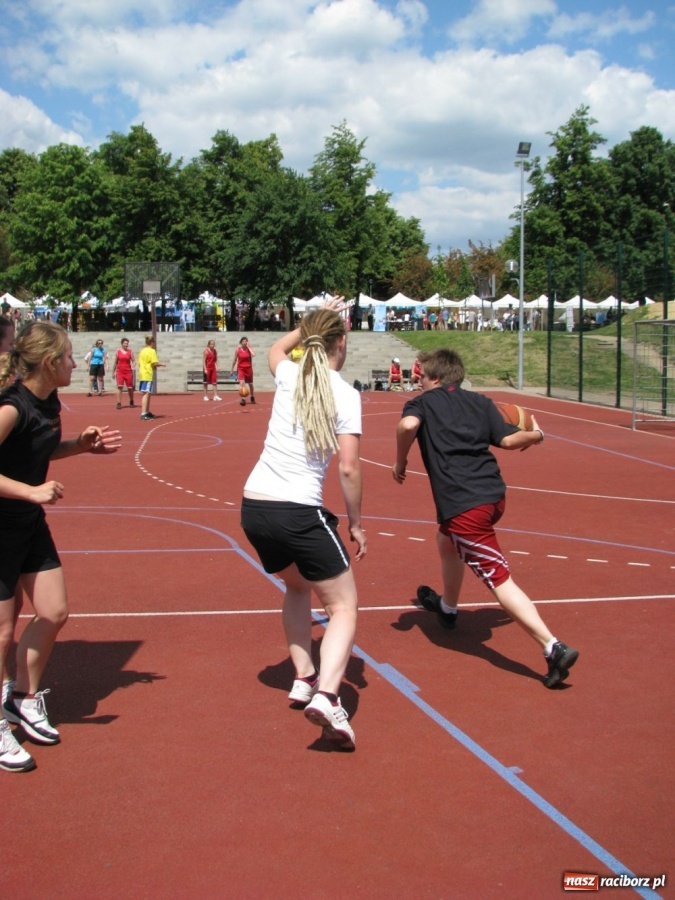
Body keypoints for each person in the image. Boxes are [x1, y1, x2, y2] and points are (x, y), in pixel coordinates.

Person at [392, 348, 579, 689]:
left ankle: (552, 647)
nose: (417, 379)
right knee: (445, 541)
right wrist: (537, 435)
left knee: (499, 580)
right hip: (493, 496)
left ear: (434, 378)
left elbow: (407, 425)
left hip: (465, 506)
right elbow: (508, 439)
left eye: (421, 375)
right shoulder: (480, 402)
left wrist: (400, 460)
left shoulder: (421, 403)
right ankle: (448, 608)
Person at [240, 298, 367, 750]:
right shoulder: (346, 393)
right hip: (298, 511)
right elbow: (349, 469)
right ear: (341, 343)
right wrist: (355, 523)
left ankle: (303, 677)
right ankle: (329, 697)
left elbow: (275, 348)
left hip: (254, 507)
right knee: (343, 607)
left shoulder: (289, 374)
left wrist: (309, 321)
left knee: (297, 587)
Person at [0, 320, 121, 772]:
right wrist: (31, 491)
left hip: (28, 524)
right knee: (3, 632)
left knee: (53, 613)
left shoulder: (48, 400)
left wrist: (80, 447)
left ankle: (23, 700)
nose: (76, 362)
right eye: (70, 356)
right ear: (50, 363)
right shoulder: (11, 407)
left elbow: (35, 452)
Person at [137, 336, 165, 421]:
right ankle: (143, 413)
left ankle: (147, 411)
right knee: (146, 393)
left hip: (142, 372)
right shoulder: (152, 351)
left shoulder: (142, 351)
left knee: (148, 393)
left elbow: (141, 362)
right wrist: (162, 364)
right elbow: (154, 363)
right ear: (152, 343)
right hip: (147, 373)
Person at [231, 336, 256, 407]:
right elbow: (234, 360)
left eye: (246, 341)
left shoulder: (249, 349)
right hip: (241, 368)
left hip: (248, 368)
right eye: (243, 341)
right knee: (241, 383)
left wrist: (249, 347)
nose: (244, 343)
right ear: (241, 342)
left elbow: (254, 355)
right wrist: (232, 369)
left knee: (250, 384)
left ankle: (252, 396)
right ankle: (243, 398)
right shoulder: (238, 350)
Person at [112, 337, 136, 410]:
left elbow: (134, 360)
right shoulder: (118, 351)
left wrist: (134, 364)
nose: (126, 345)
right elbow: (115, 362)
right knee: (120, 387)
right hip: (120, 371)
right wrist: (113, 372)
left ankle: (131, 400)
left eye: (127, 343)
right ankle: (119, 402)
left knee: (130, 388)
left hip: (128, 371)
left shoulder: (130, 352)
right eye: (125, 343)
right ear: (122, 344)